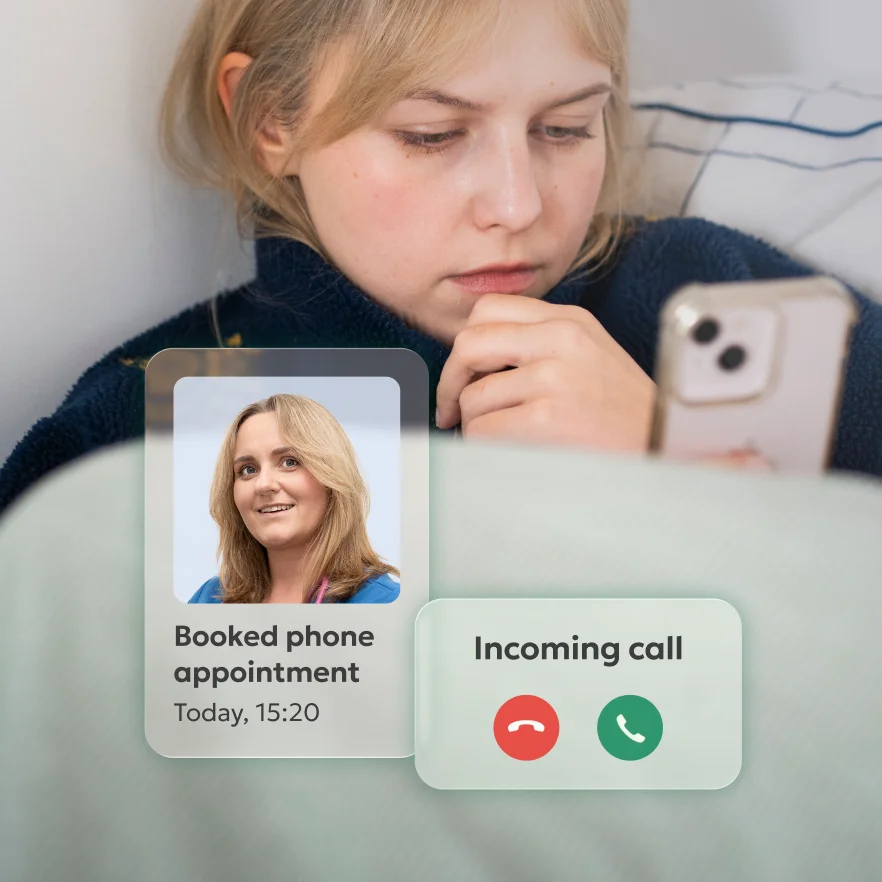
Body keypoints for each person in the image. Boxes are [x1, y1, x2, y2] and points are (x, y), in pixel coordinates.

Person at [1, 0, 881, 518]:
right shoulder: (149, 420)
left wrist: (693, 460)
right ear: (272, 119)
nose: (519, 206)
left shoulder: (715, 301)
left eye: (565, 128)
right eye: (433, 135)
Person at [189, 393, 399, 604]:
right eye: (248, 469)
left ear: (333, 478)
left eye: (289, 462)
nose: (263, 484)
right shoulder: (208, 598)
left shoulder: (386, 603)